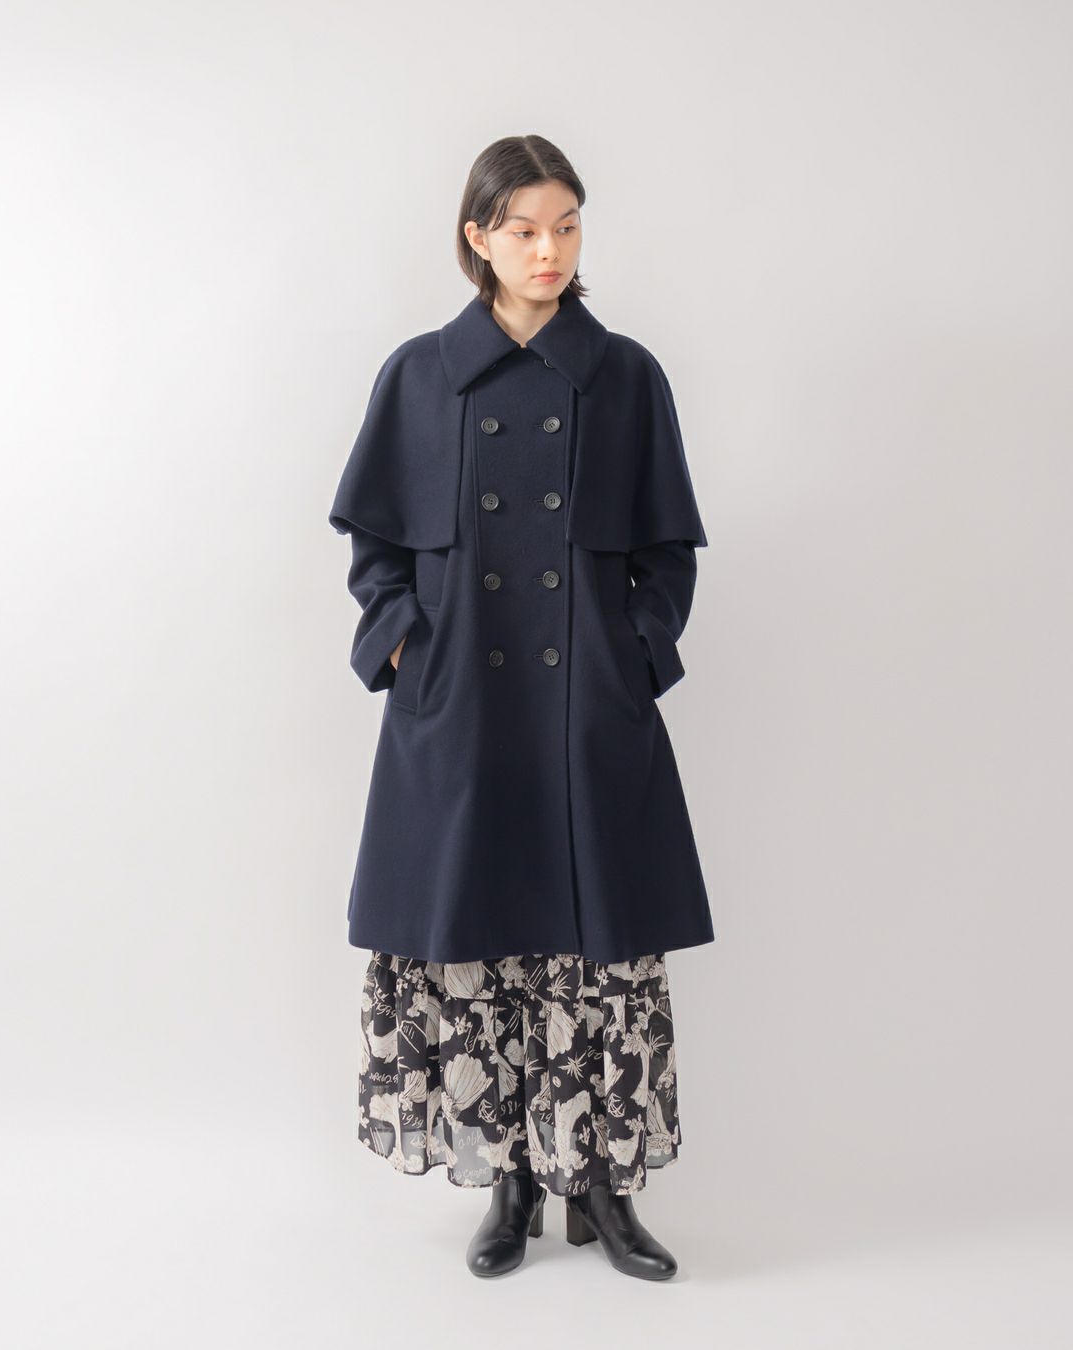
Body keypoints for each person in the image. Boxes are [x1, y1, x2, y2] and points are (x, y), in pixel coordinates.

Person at [328, 135, 714, 1281]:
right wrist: (408, 647)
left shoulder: (626, 376)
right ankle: (510, 1182)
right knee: (481, 947)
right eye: (525, 228)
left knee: (602, 957)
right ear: (478, 237)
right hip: (463, 712)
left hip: (585, 713)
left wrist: (632, 656)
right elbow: (374, 550)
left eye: (568, 226)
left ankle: (604, 1187)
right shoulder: (420, 375)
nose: (550, 250)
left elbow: (668, 551)